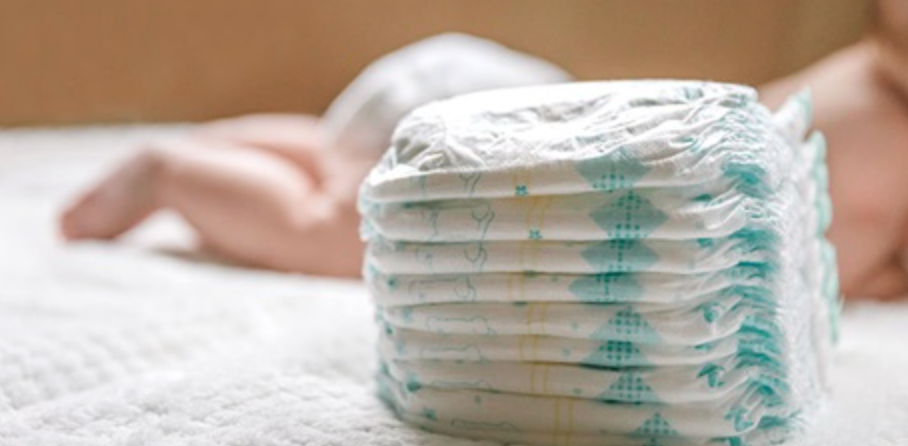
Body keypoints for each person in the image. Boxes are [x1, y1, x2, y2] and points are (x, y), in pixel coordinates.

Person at [60, 2, 908, 299]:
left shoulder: (853, 81)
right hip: (508, 162)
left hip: (502, 93)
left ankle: (256, 145)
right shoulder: (880, 107)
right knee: (342, 232)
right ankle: (172, 174)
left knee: (345, 158)